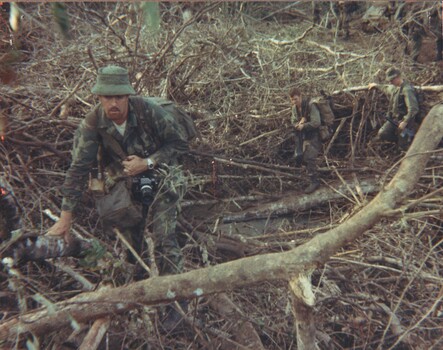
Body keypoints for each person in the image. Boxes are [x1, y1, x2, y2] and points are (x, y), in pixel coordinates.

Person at [47, 65, 189, 279]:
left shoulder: (149, 111)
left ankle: (175, 300)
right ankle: (137, 293)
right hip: (126, 181)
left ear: (128, 96)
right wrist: (65, 218)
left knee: (163, 240)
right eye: (107, 97)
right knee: (132, 245)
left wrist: (148, 162)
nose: (113, 103)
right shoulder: (92, 124)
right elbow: (78, 170)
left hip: (163, 173)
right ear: (99, 97)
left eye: (119, 97)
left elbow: (180, 144)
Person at [368, 67, 419, 149]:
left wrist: (405, 122)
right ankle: (399, 141)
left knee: (403, 146)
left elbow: (413, 108)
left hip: (405, 121)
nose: (390, 82)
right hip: (394, 119)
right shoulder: (394, 87)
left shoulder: (407, 89)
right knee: (383, 133)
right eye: (390, 80)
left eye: (392, 79)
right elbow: (385, 88)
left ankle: (404, 144)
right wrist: (376, 85)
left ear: (398, 77)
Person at [289, 88, 322, 194]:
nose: (294, 102)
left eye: (296, 99)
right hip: (302, 136)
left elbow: (316, 122)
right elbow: (293, 120)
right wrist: (296, 125)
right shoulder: (295, 107)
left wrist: (303, 126)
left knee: (309, 157)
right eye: (292, 100)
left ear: (300, 96)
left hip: (314, 135)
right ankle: (310, 175)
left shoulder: (311, 105)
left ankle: (315, 182)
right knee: (299, 156)